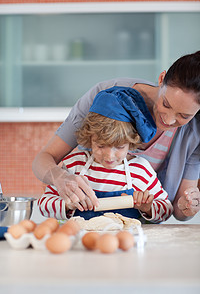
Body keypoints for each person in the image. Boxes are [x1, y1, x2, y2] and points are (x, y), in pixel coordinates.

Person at [32, 50, 200, 221]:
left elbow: (176, 209)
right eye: (166, 104)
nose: (169, 121)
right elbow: (44, 159)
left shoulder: (144, 168)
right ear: (161, 78)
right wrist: (61, 179)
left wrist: (188, 204)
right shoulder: (106, 98)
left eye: (184, 116)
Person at [38, 87, 173, 223]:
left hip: (127, 241)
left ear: (131, 141)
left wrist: (147, 208)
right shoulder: (75, 165)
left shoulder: (141, 170)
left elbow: (166, 209)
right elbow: (44, 205)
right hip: (84, 241)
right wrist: (68, 205)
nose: (109, 156)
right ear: (90, 138)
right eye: (100, 146)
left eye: (119, 147)